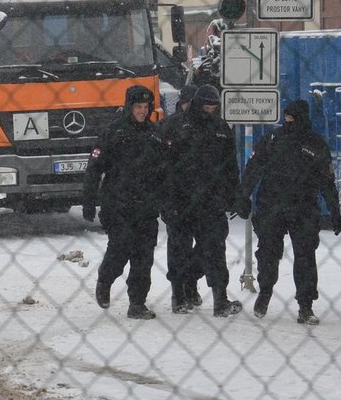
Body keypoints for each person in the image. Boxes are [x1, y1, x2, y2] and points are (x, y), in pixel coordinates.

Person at [235, 99, 341, 326]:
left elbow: (327, 180)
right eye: (286, 117)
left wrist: (334, 211)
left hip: (303, 208)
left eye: (292, 118)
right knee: (267, 253)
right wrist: (243, 196)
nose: (288, 121)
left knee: (305, 257)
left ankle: (305, 306)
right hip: (271, 206)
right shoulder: (273, 140)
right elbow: (253, 169)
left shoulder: (315, 144)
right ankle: (265, 292)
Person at [81, 85, 165, 319]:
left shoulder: (154, 133)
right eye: (138, 107)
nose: (142, 111)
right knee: (120, 249)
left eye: (145, 107)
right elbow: (94, 168)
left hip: (146, 205)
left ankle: (137, 303)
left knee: (144, 256)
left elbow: (164, 170)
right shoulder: (113, 131)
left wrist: (166, 199)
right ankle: (105, 280)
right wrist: (89, 200)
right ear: (129, 107)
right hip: (118, 203)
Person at [162, 84, 243, 317]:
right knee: (179, 248)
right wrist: (165, 201)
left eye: (213, 107)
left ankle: (220, 299)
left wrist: (233, 195)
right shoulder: (175, 126)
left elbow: (231, 167)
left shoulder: (221, 128)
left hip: (212, 201)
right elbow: (161, 168)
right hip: (180, 201)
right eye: (206, 106)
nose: (209, 111)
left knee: (215, 248)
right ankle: (179, 295)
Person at [158, 84, 204, 313]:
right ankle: (179, 293)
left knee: (207, 246)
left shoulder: (207, 126)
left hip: (203, 197)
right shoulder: (168, 126)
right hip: (176, 197)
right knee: (179, 246)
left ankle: (190, 282)